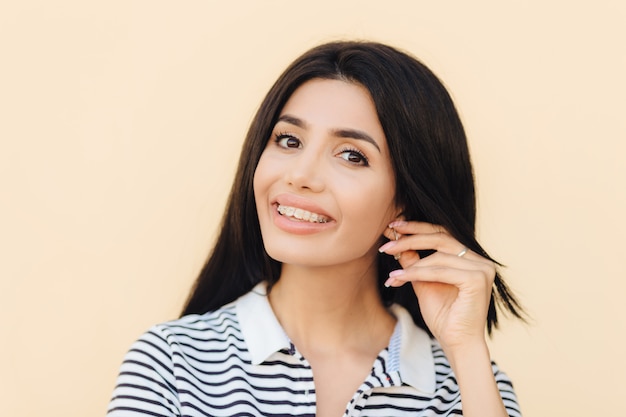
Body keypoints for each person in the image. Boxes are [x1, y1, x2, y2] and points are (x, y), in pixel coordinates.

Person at [107, 40, 525, 417]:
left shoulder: (469, 389)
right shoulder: (173, 365)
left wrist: (467, 351)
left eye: (351, 155)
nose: (301, 175)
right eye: (289, 141)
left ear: (405, 200)